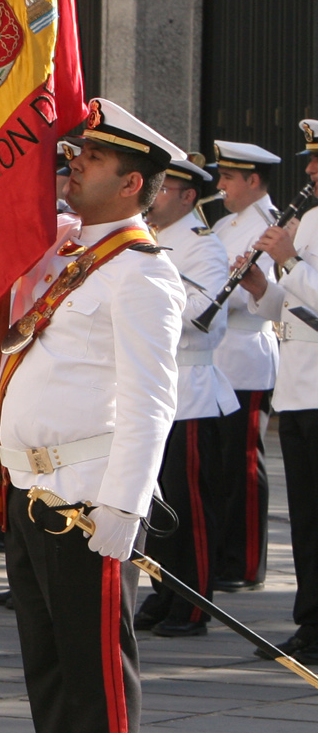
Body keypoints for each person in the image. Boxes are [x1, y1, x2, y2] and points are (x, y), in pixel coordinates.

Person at [0, 98, 185, 733]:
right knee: (52, 662)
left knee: (95, 666)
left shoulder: (140, 276)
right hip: (39, 491)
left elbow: (150, 401)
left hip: (84, 499)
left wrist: (124, 507)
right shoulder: (76, 258)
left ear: (134, 183)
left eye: (92, 161)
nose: (74, 166)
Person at [133, 155, 237, 637]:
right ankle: (165, 591)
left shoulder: (202, 249)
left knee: (189, 505)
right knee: (157, 503)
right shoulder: (149, 239)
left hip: (191, 392)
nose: (153, 196)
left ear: (189, 197)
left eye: (165, 189)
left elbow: (204, 318)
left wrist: (151, 307)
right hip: (156, 388)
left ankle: (193, 605)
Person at [249, 118, 318, 656]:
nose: (311, 169)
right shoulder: (311, 219)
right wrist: (259, 286)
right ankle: (310, 620)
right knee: (306, 520)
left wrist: (288, 260)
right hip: (296, 390)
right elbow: (293, 308)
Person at [208, 139, 281, 591]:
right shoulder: (227, 224)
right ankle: (220, 553)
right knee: (217, 466)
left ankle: (245, 561)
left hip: (246, 355)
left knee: (241, 464)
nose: (221, 186)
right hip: (218, 358)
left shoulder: (269, 226)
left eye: (229, 178)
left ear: (253, 181)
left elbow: (259, 292)